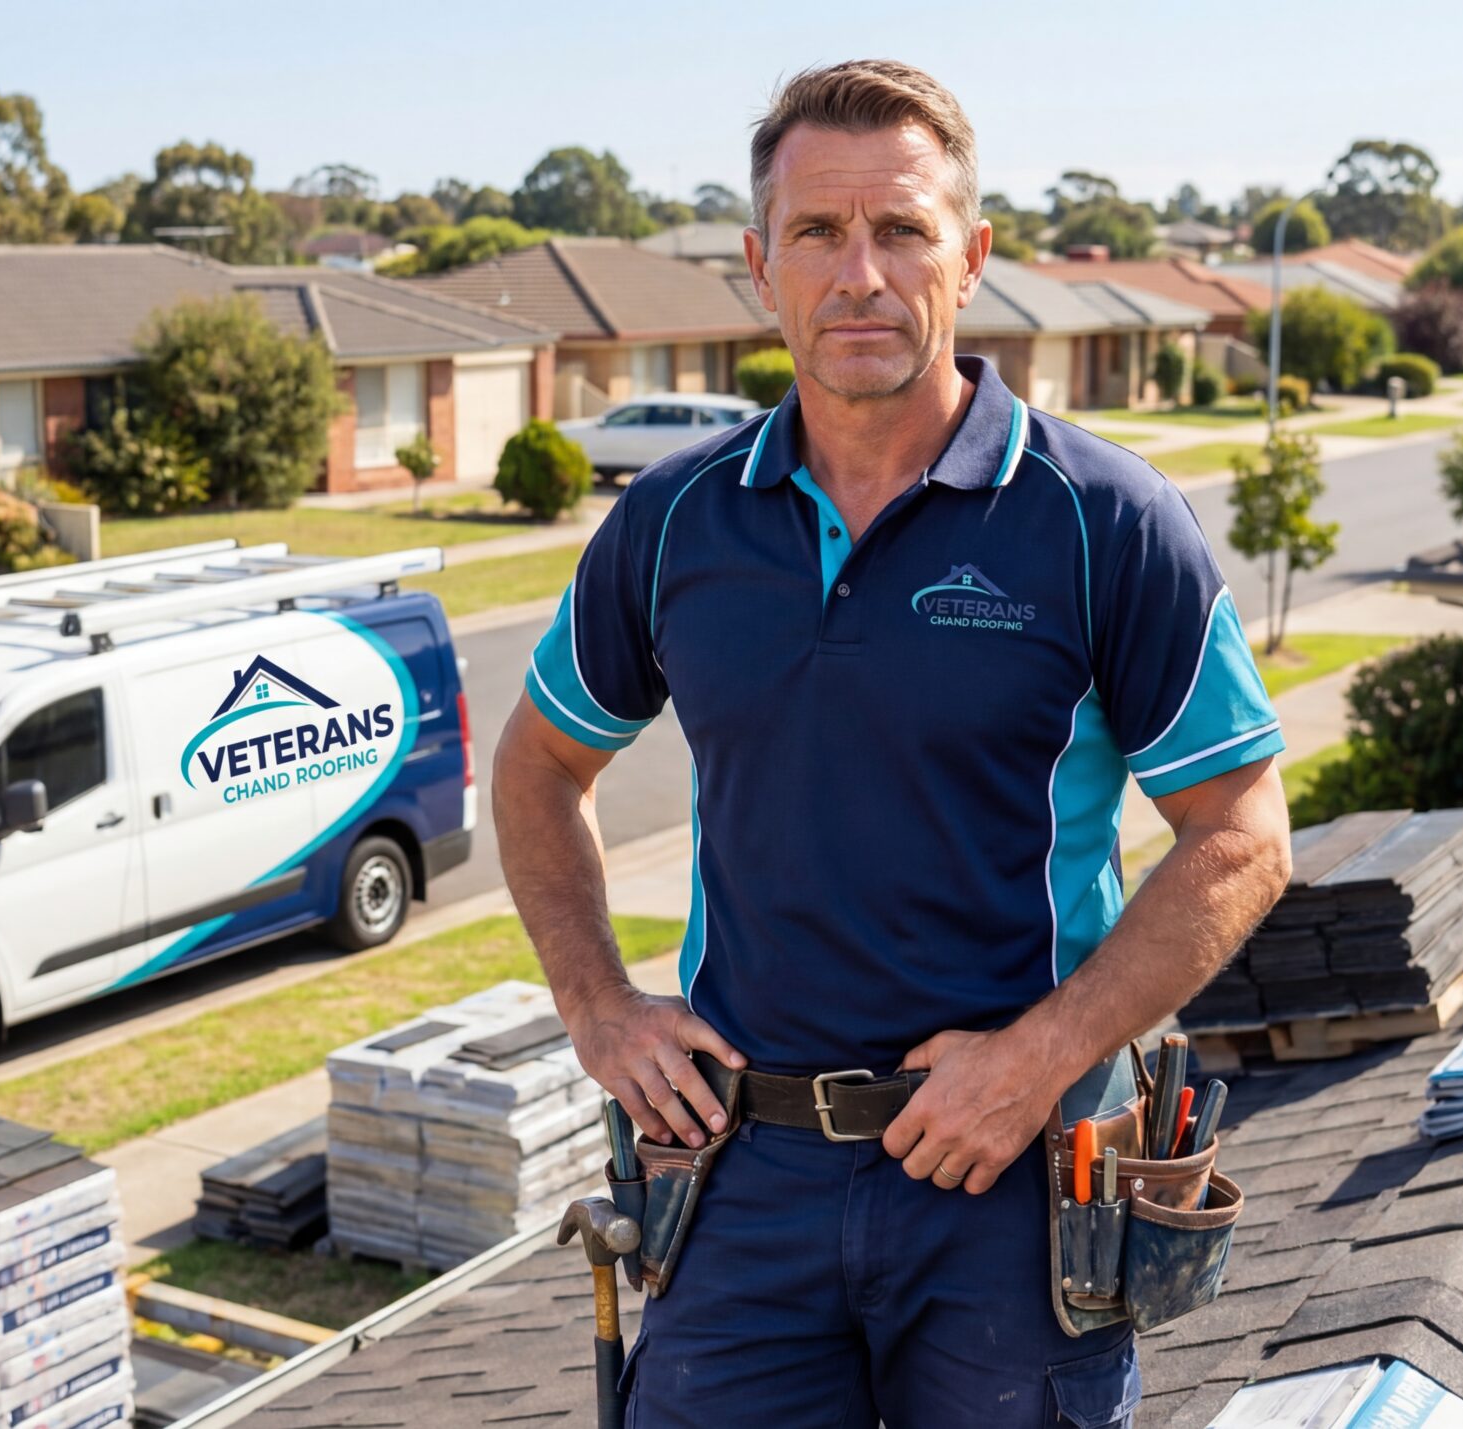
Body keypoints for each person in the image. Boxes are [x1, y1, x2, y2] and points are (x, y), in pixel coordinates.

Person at [494, 59, 1294, 1427]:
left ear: (970, 256)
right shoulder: (675, 523)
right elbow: (535, 769)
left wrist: (1040, 1057)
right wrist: (598, 1007)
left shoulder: (1105, 522)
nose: (859, 272)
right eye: (818, 232)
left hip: (1007, 1183)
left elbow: (1242, 833)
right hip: (741, 1180)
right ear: (760, 265)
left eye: (903, 229)